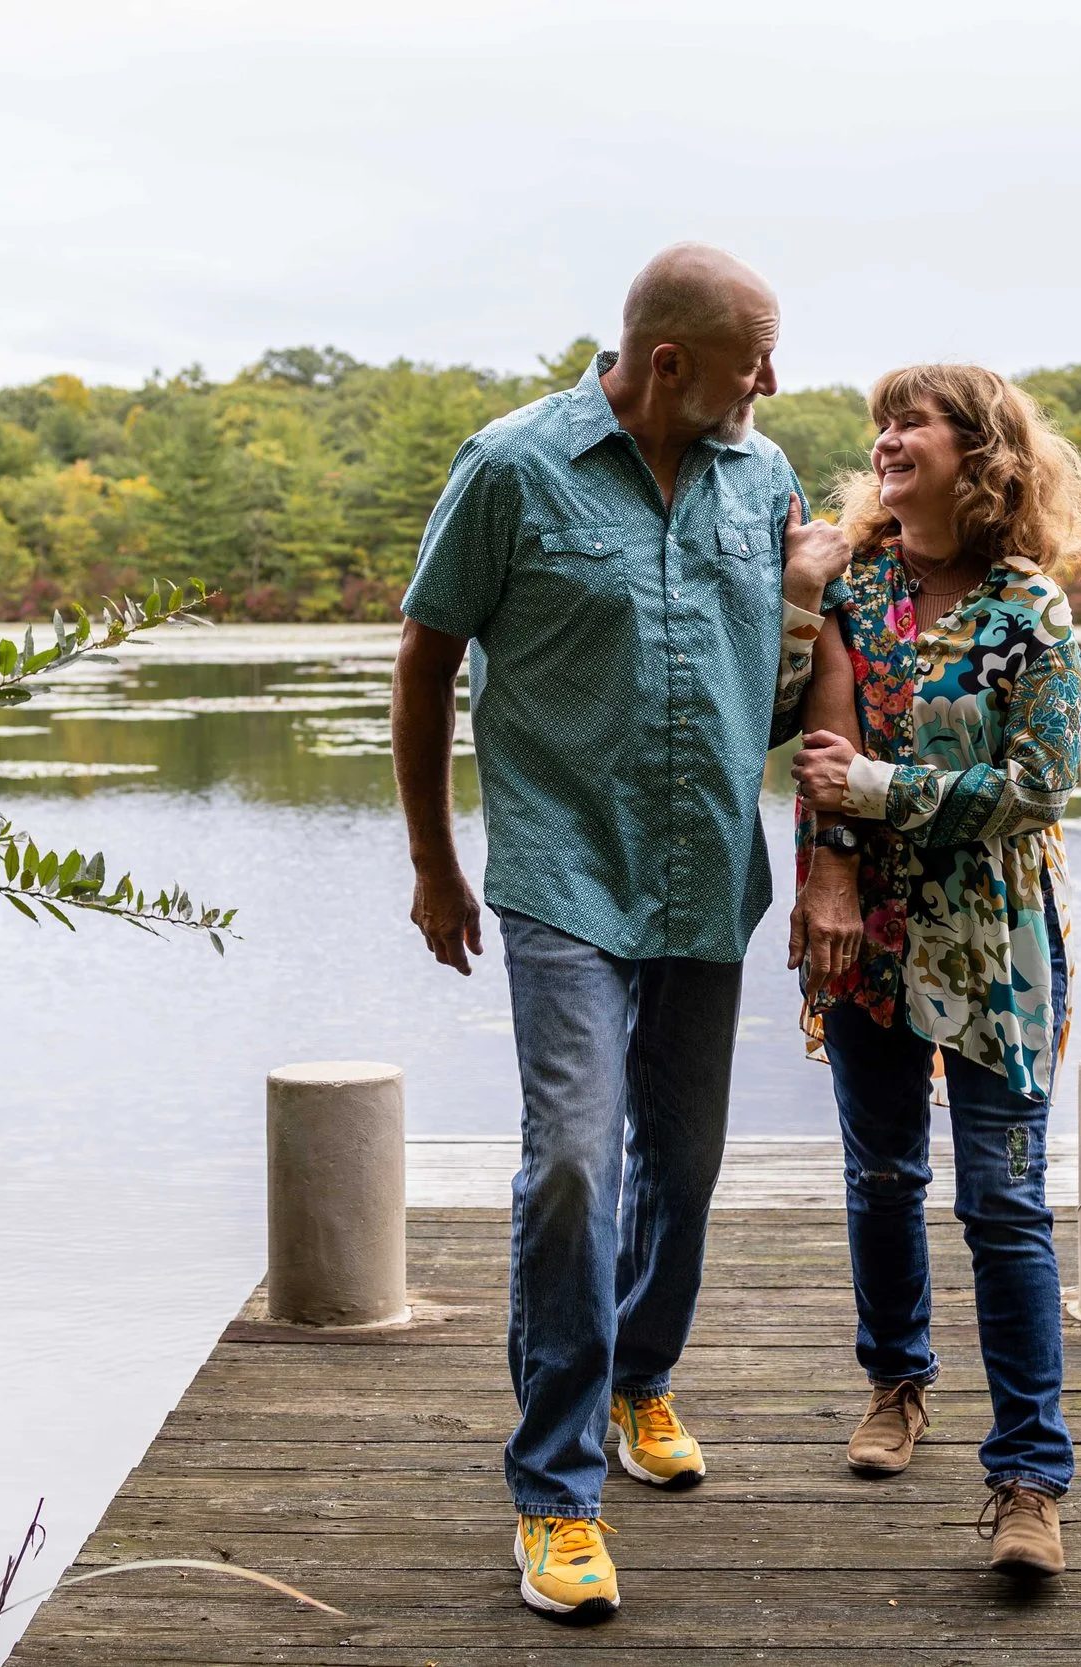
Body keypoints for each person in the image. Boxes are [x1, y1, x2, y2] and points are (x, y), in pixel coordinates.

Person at [391, 244, 851, 1623]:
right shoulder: (511, 467)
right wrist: (433, 860)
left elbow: (761, 681)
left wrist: (827, 617)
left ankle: (640, 1375)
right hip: (559, 872)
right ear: (669, 365)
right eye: (753, 360)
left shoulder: (759, 479)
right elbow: (424, 661)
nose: (771, 382)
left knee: (686, 1165)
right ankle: (555, 1489)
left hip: (706, 869)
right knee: (575, 1161)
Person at [787, 363, 1081, 1581]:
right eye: (883, 421)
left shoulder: (1032, 610)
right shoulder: (852, 591)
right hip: (863, 929)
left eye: (914, 420)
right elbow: (810, 754)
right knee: (881, 1174)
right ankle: (896, 1383)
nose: (886, 435)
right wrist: (832, 878)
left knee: (1006, 1207)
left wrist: (881, 793)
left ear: (984, 454)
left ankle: (1028, 1475)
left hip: (994, 947)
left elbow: (1036, 787)